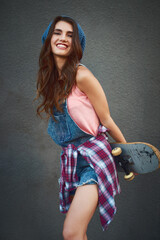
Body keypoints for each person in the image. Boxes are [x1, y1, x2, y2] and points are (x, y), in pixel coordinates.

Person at [35, 15, 126, 240]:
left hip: (94, 160)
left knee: (71, 232)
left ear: (75, 44)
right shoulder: (51, 81)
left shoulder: (82, 76)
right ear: (48, 39)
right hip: (72, 162)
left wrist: (127, 154)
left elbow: (107, 120)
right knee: (79, 233)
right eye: (58, 32)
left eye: (70, 35)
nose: (63, 38)